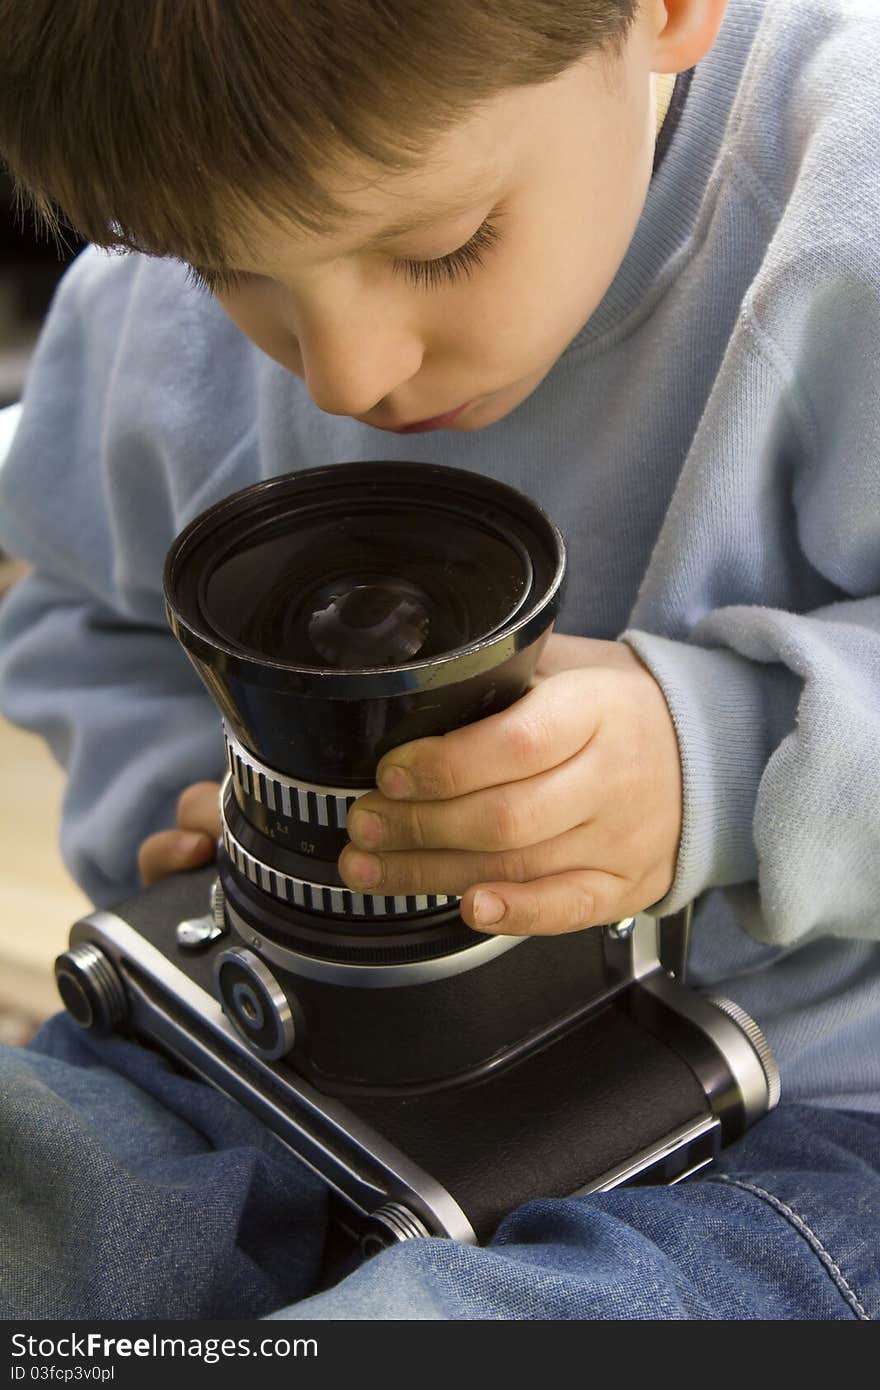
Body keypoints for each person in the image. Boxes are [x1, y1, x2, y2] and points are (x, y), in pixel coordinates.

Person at [0, 0, 878, 1320]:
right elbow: (81, 607)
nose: (345, 371)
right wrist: (225, 806)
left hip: (792, 1132)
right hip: (267, 1049)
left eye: (444, 245)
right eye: (222, 271)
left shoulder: (841, 215)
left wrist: (728, 762)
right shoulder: (166, 247)